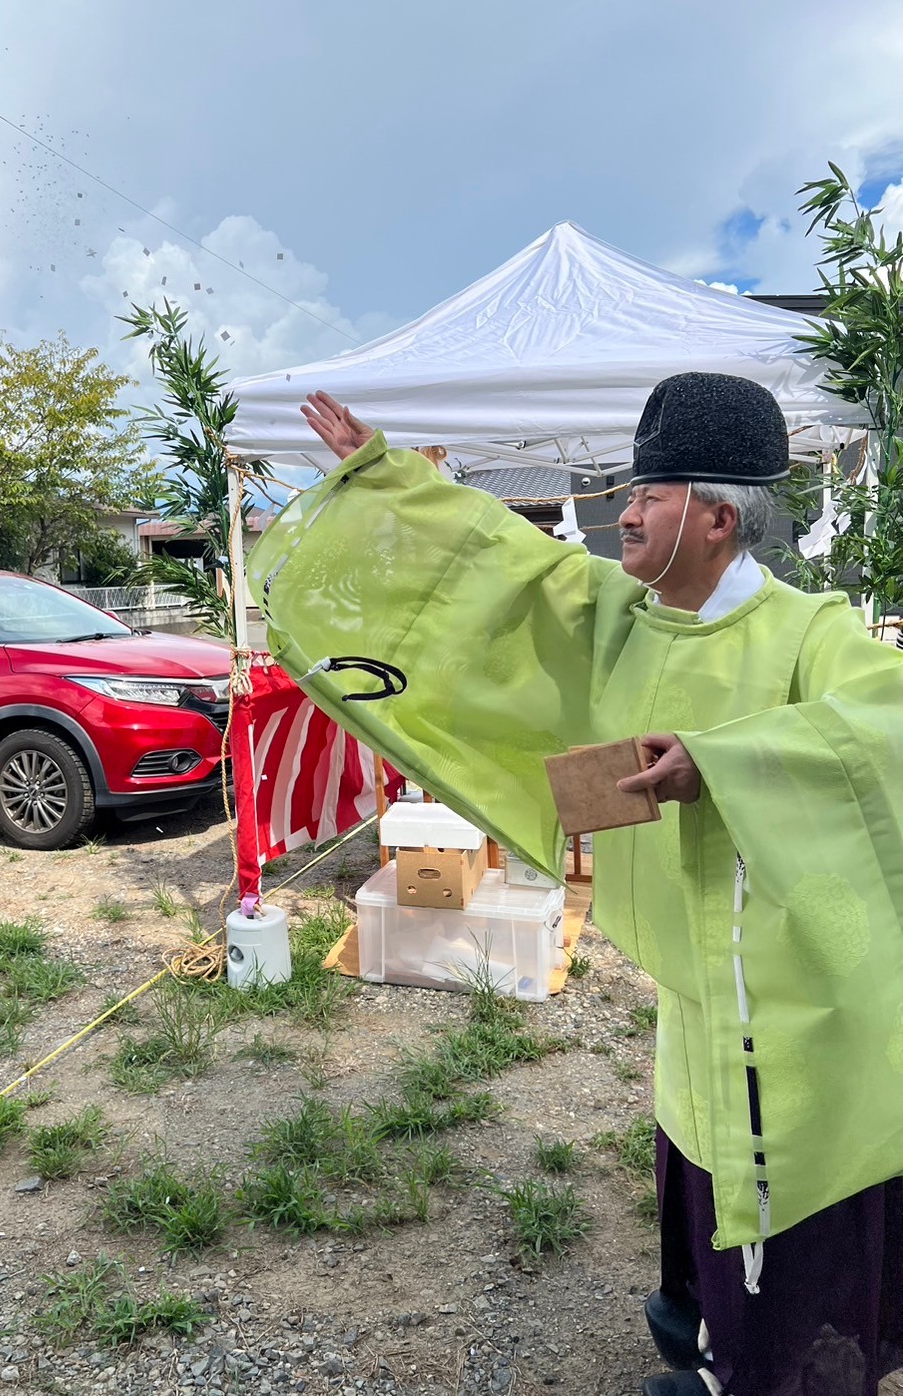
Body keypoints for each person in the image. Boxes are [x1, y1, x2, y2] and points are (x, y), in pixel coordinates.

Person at [250, 374, 903, 1396]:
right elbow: (504, 567)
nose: (623, 512)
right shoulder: (623, 614)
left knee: (778, 1204)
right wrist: (384, 483)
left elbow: (883, 728)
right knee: (694, 1175)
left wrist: (723, 760)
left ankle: (770, 1372)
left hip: (788, 1005)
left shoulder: (808, 633)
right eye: (628, 493)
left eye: (650, 494)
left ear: (718, 516)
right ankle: (698, 1350)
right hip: (693, 989)